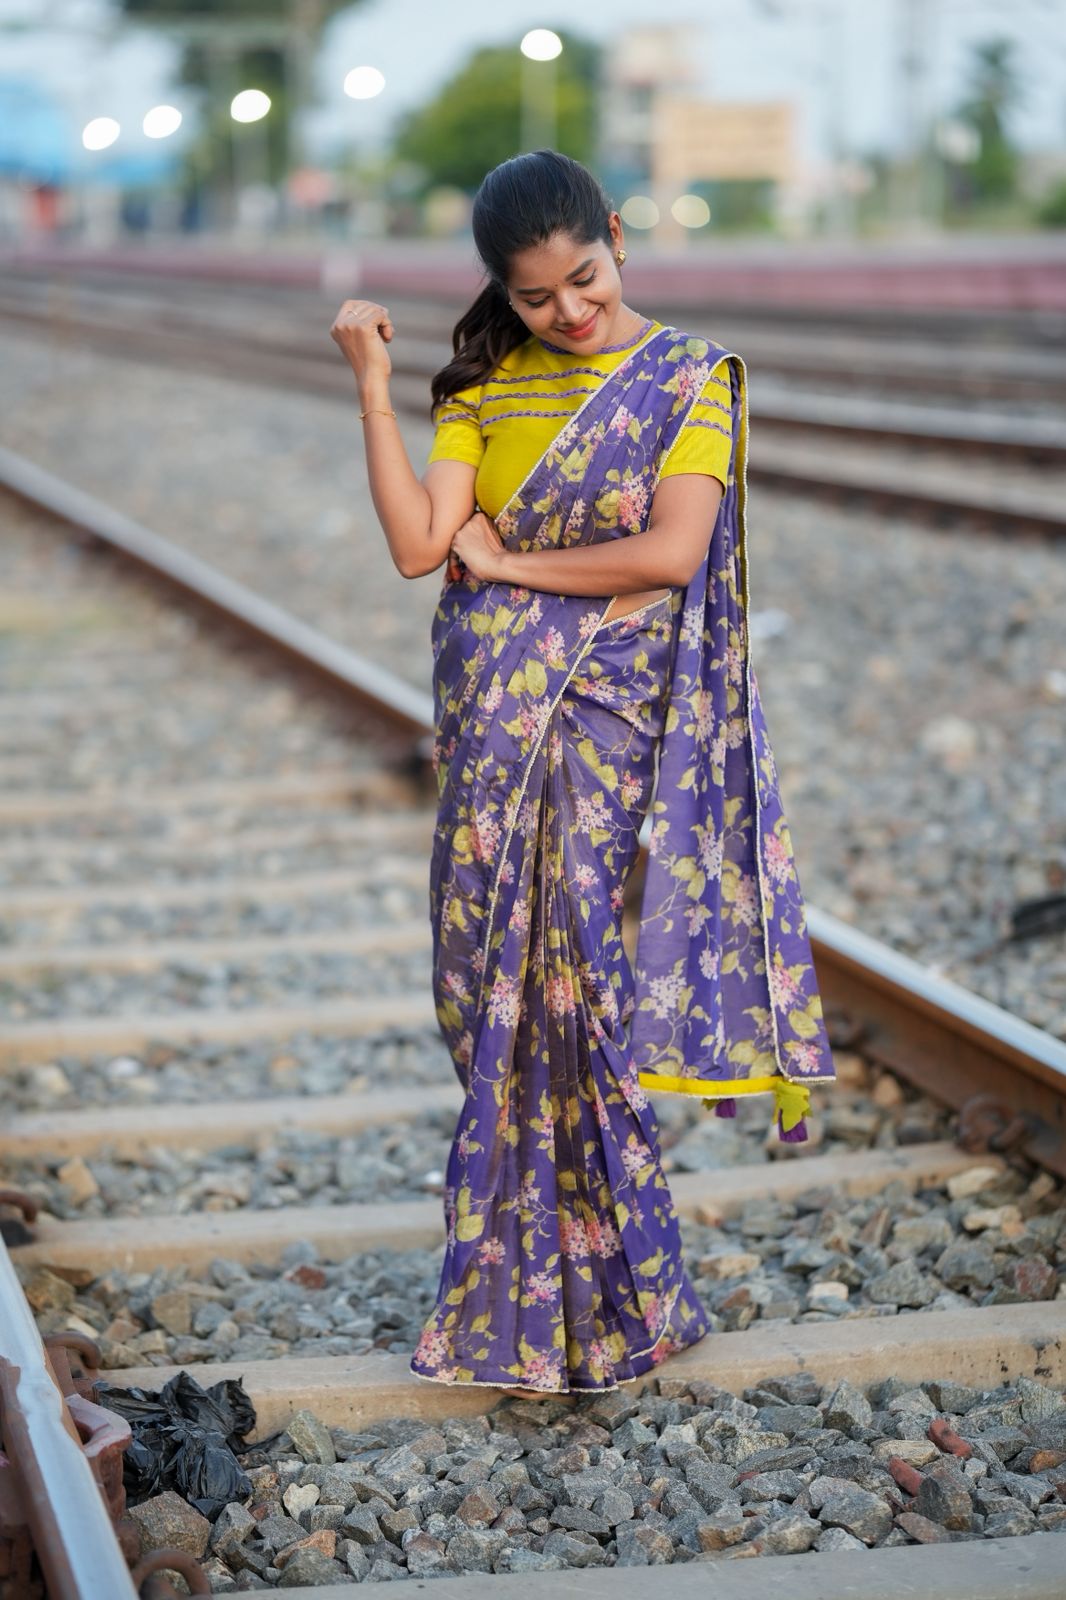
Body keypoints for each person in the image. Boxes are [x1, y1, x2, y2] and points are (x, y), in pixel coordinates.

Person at [329, 150, 836, 1396]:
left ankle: (613, 1303)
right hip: (494, 727)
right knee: (484, 992)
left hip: (605, 727)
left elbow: (669, 553)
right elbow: (415, 547)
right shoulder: (488, 384)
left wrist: (510, 574)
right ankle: (530, 1293)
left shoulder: (685, 379)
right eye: (542, 296)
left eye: (589, 279)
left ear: (616, 236)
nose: (574, 314)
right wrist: (376, 387)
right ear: (503, 290)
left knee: (569, 992)